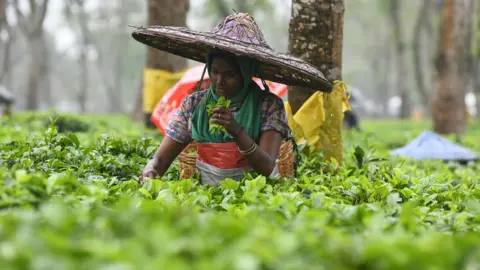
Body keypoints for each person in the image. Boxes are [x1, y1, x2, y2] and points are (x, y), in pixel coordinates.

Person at [133, 12, 333, 186]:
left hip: (256, 198)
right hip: (207, 199)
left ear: (246, 74)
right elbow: (160, 159)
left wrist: (237, 131)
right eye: (214, 71)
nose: (219, 82)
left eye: (230, 75)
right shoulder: (194, 105)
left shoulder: (269, 105)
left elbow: (266, 167)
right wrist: (151, 170)